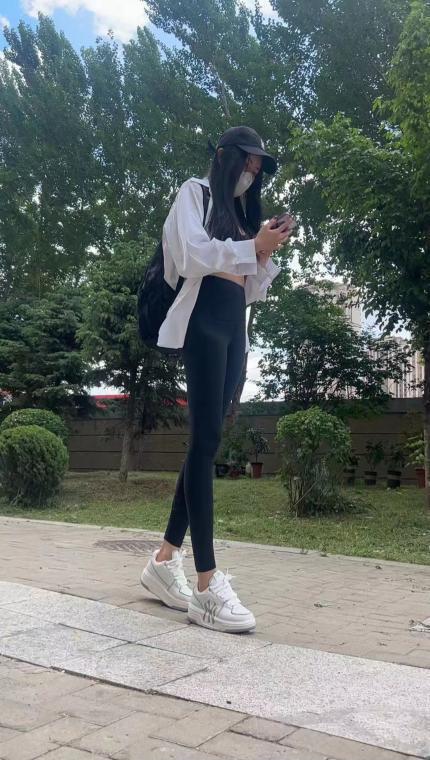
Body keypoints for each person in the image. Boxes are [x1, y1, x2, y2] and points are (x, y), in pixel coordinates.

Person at [141, 126, 294, 633]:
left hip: (234, 325)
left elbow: (250, 286)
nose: (252, 173)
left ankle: (164, 560)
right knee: (204, 441)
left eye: (258, 168)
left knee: (207, 442)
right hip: (204, 319)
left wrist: (264, 250)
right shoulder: (195, 193)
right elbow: (191, 255)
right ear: (225, 157)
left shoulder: (244, 213)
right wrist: (251, 245)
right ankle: (206, 584)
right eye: (247, 163)